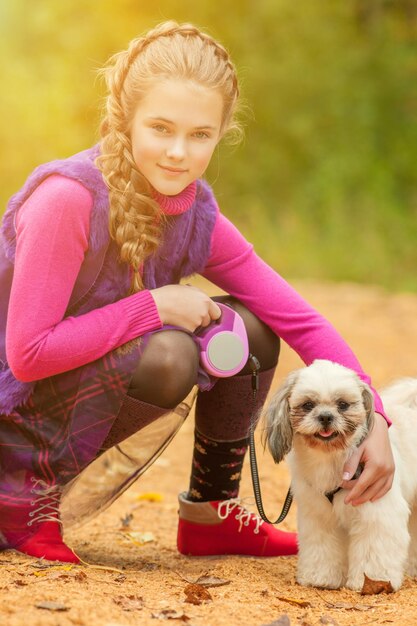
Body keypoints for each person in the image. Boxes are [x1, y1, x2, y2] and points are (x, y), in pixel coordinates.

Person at [0, 21, 394, 564]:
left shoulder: (194, 213)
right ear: (125, 120)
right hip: (11, 414)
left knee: (251, 328)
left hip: (61, 407)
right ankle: (18, 496)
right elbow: (26, 355)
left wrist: (374, 419)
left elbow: (299, 320)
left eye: (200, 135)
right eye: (161, 128)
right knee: (169, 353)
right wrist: (155, 306)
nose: (178, 153)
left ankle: (211, 513)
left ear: (222, 132)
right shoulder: (67, 199)